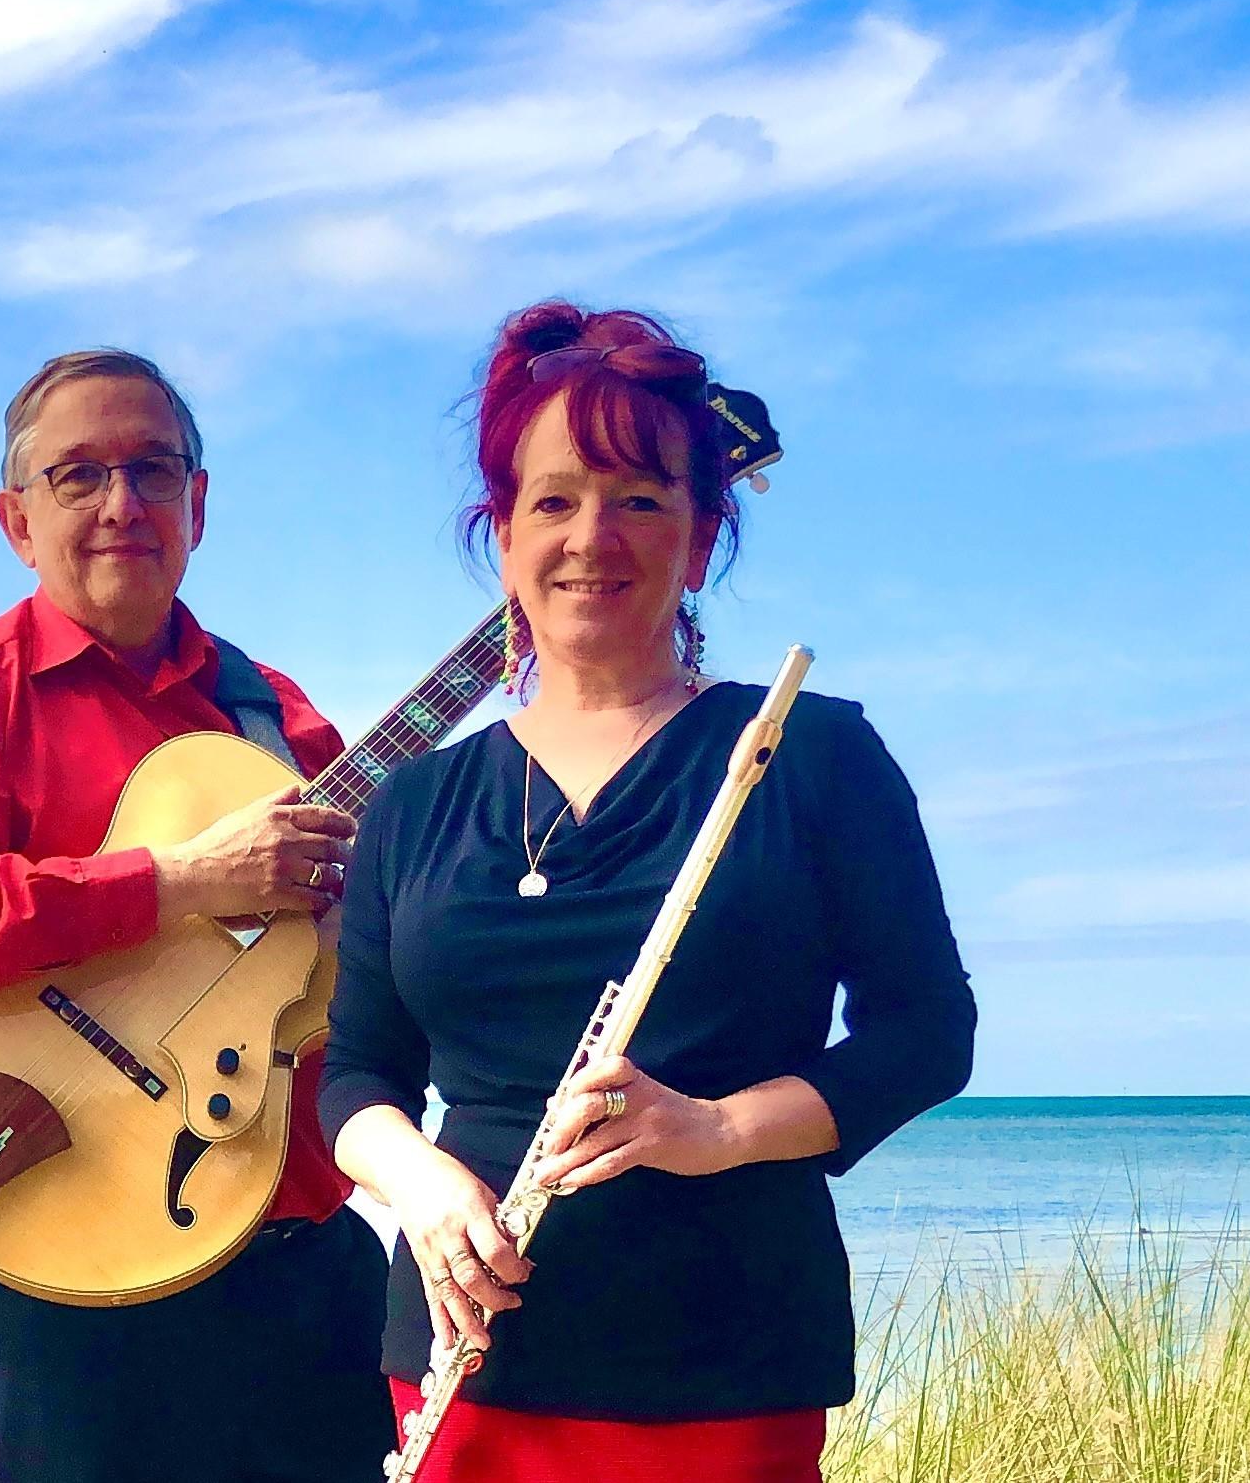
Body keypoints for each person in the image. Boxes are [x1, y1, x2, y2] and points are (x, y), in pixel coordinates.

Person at [319, 302, 977, 1481]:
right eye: (553, 500)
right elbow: (356, 1071)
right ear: (501, 531)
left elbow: (926, 1036)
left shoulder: (805, 754)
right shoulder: (415, 804)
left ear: (700, 529)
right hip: (465, 1359)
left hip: (721, 1362)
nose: (592, 538)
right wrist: (416, 1185)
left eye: (639, 499)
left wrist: (716, 1129)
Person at [0, 349, 396, 1483]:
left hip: (294, 1261)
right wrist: (174, 882)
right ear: (16, 519)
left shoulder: (277, 718)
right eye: (76, 475)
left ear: (198, 503)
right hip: (62, 1262)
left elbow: (375, 963)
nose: (119, 504)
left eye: (150, 469)